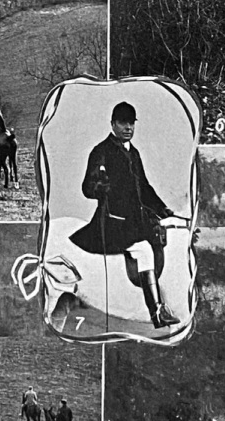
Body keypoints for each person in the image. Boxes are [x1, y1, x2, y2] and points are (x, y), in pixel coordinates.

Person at [71, 100, 180, 331]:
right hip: (112, 222)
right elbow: (87, 188)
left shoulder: (135, 153)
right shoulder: (101, 151)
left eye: (131, 123)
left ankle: (164, 305)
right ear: (112, 124)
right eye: (123, 123)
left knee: (160, 239)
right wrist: (100, 187)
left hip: (134, 221)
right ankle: (156, 314)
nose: (128, 128)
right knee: (143, 250)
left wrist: (164, 210)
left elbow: (145, 188)